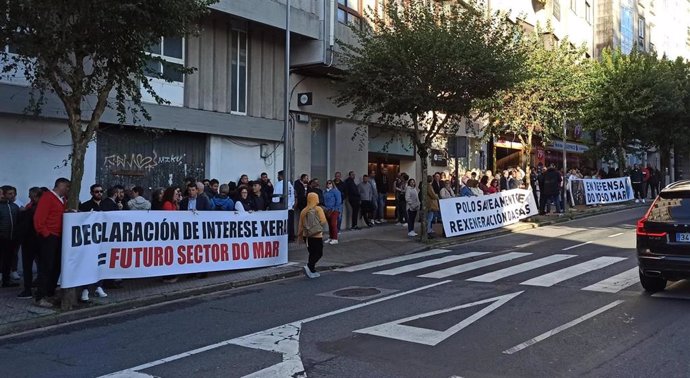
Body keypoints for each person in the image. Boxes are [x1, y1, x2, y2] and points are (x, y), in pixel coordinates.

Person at [33, 178, 70, 308]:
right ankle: (40, 296)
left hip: (58, 236)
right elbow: (39, 218)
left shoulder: (62, 200)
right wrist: (45, 233)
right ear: (60, 186)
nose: (67, 190)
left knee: (56, 266)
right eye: (66, 187)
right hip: (49, 236)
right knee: (46, 267)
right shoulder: (48, 198)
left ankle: (49, 292)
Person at [16, 187, 42, 298]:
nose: (29, 197)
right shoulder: (31, 207)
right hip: (36, 240)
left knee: (29, 266)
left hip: (31, 240)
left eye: (31, 195)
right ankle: (37, 288)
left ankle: (29, 289)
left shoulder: (32, 209)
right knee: (38, 265)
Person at [298, 192, 327, 279]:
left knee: (312, 253)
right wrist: (317, 226)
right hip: (316, 235)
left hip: (306, 235)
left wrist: (300, 237)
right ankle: (309, 266)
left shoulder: (304, 210)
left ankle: (312, 270)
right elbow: (323, 220)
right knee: (319, 253)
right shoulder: (318, 209)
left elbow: (300, 225)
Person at [0, 186, 20, 288]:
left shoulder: (15, 207)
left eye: (13, 193)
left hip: (12, 238)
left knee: (8, 259)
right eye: (9, 194)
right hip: (2, 237)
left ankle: (6, 280)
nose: (12, 196)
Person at [272, 170, 295, 242]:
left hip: (282, 208)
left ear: (281, 176)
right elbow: (292, 196)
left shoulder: (279, 184)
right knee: (290, 224)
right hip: (290, 207)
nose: (277, 177)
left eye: (278, 176)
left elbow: (275, 198)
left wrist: (275, 205)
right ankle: (291, 238)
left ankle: (283, 238)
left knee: (283, 225)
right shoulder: (290, 185)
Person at [323, 180, 342, 245]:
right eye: (327, 183)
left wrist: (334, 209)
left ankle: (335, 238)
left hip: (334, 210)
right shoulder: (325, 191)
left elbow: (338, 201)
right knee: (330, 224)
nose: (328, 184)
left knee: (333, 224)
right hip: (327, 210)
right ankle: (331, 237)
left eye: (330, 183)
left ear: (332, 184)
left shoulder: (336, 191)